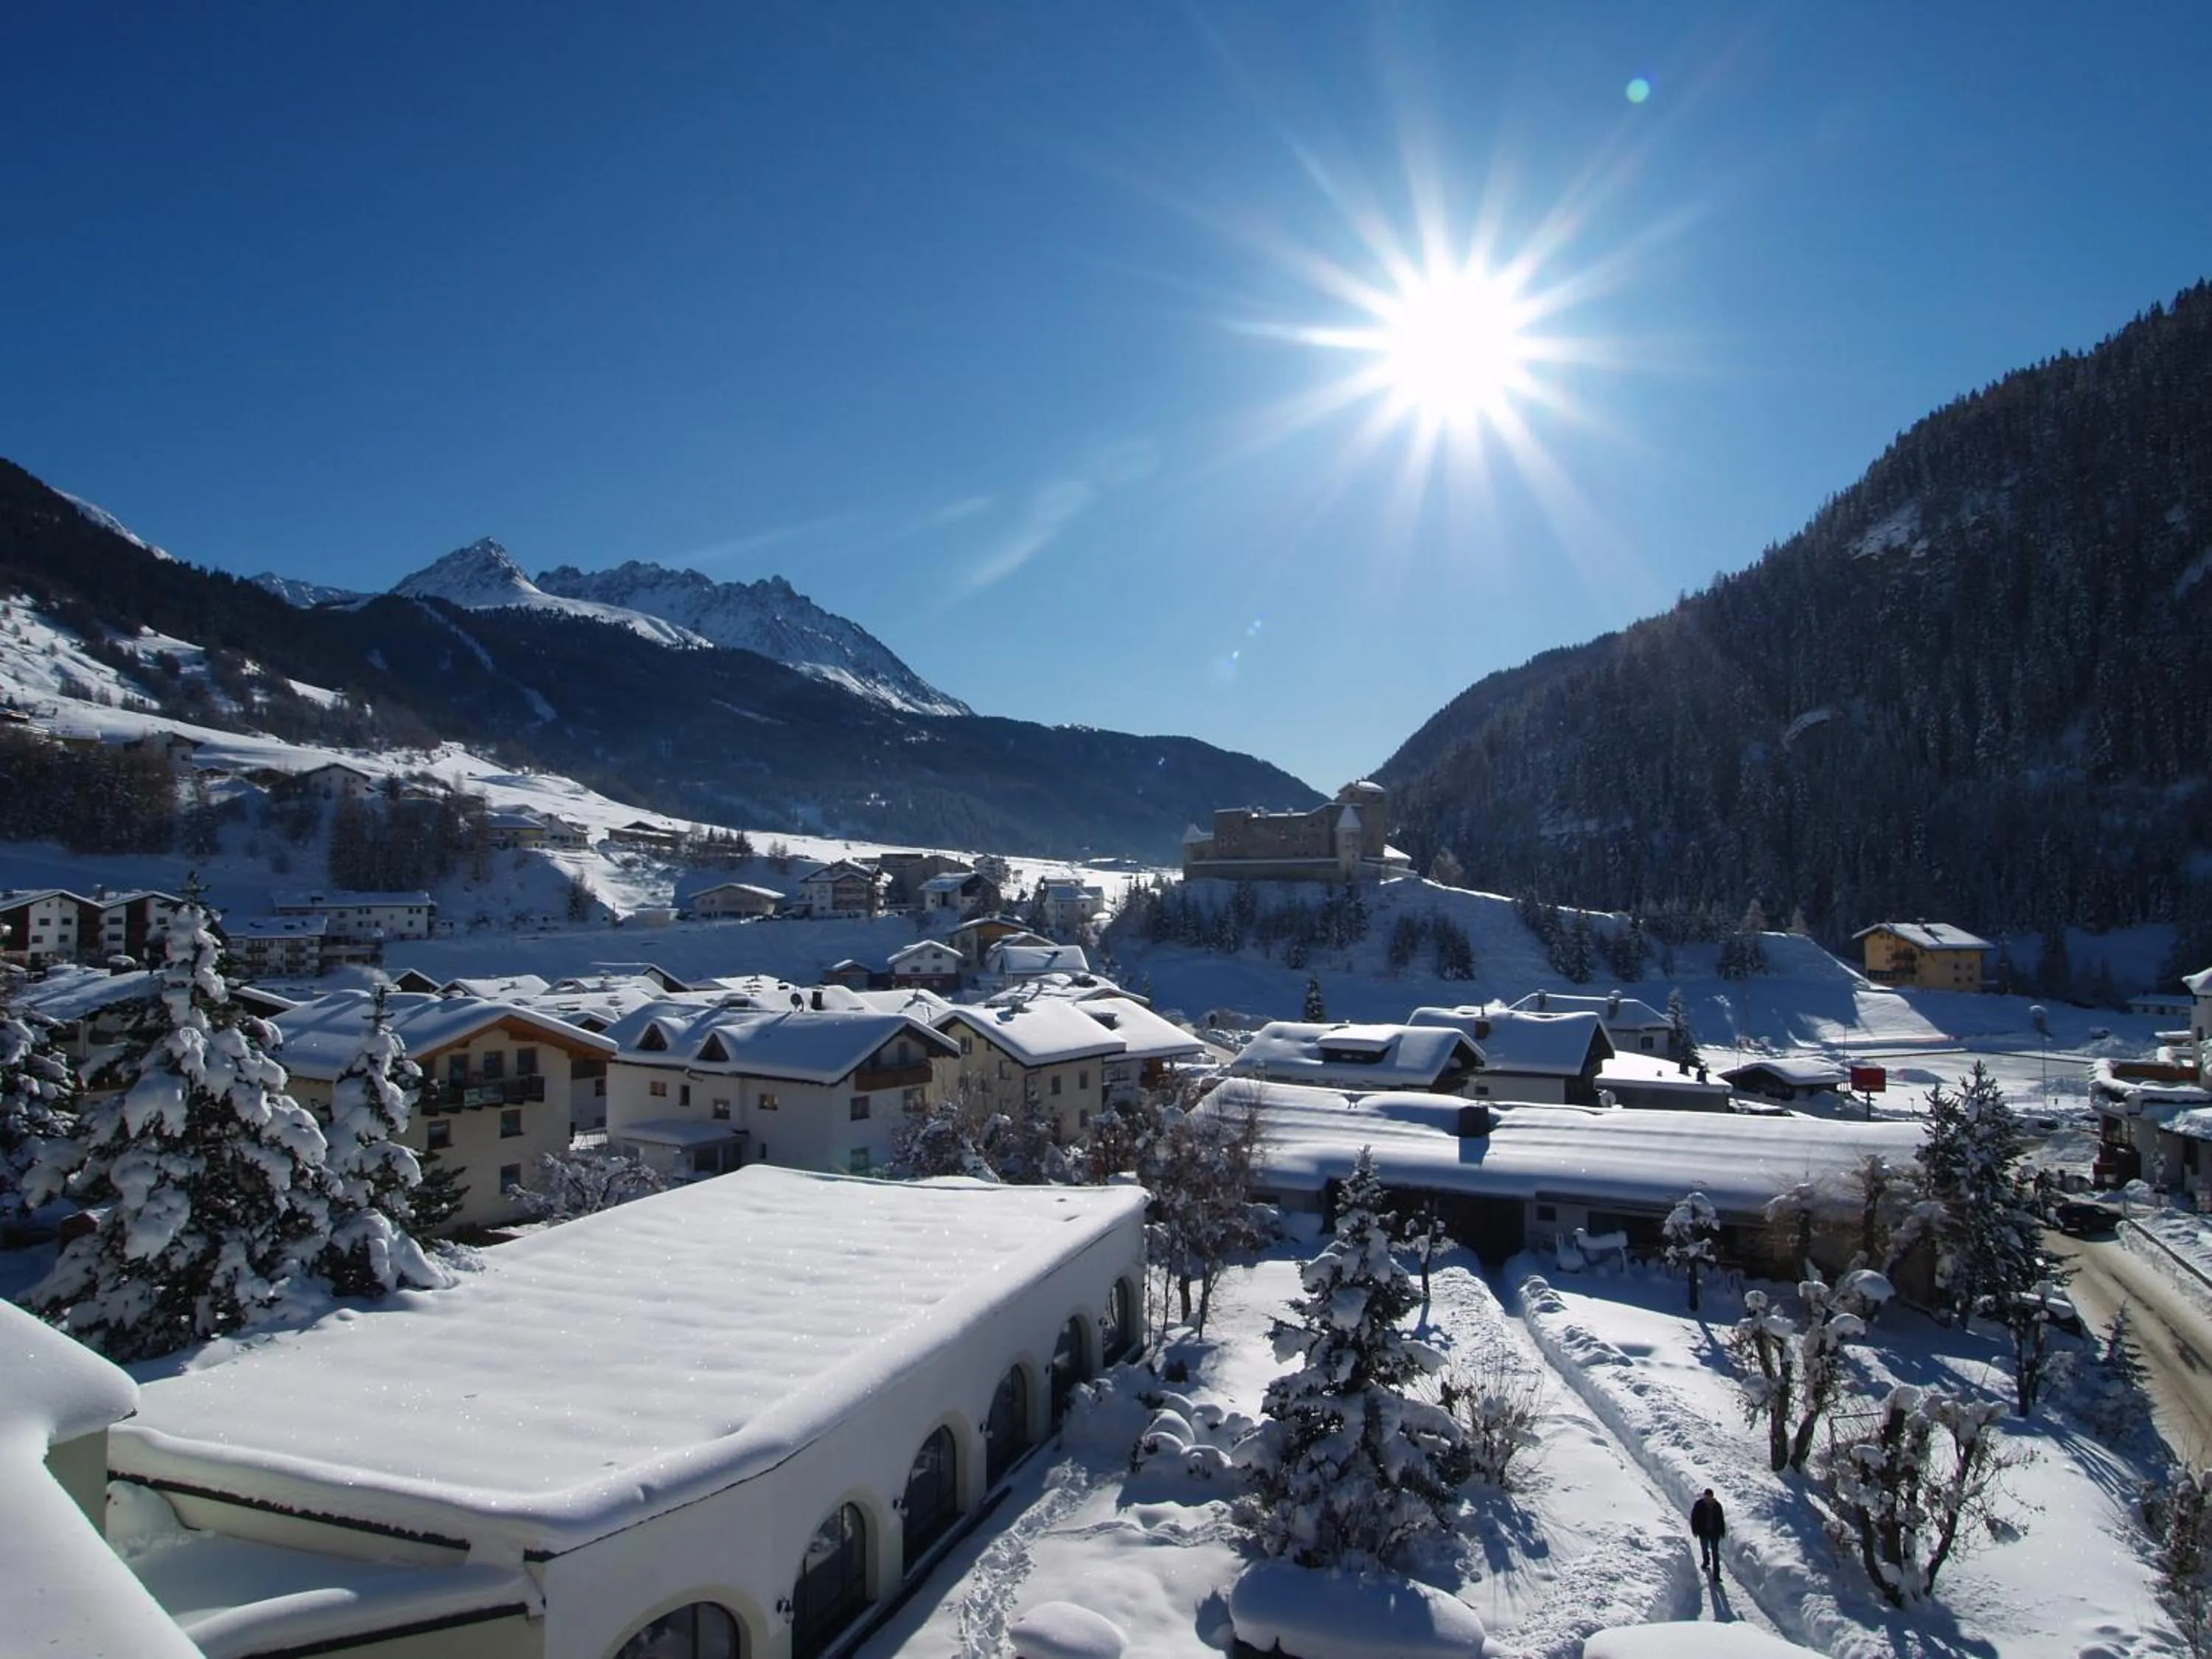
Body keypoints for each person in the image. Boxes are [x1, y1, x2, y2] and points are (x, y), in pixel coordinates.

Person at [1690, 1488, 1725, 1575]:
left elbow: (1721, 1519)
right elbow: (1694, 1518)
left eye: (1710, 1497)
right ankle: (1706, 1561)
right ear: (1704, 1496)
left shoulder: (1717, 1506)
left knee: (1715, 1553)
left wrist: (1722, 1531)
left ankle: (1717, 1574)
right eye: (1707, 1497)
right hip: (1703, 1532)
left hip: (1715, 1533)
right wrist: (1695, 1530)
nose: (1708, 1499)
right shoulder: (1699, 1505)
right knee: (1704, 1548)